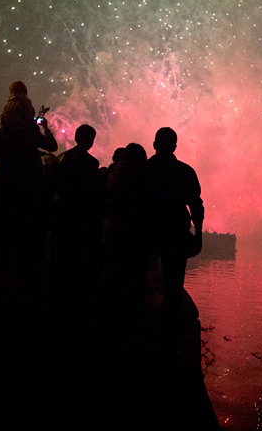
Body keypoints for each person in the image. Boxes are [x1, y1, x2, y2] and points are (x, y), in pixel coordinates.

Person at [0, 88, 57, 272]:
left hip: (2, 184)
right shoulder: (30, 135)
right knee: (24, 224)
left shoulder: (2, 134)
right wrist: (45, 127)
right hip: (27, 185)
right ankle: (21, 266)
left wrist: (4, 161)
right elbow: (52, 146)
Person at [141, 127, 204, 353]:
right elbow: (196, 206)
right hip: (175, 234)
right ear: (174, 146)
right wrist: (198, 234)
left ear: (155, 144)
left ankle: (143, 336)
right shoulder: (185, 172)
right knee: (174, 286)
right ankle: (171, 338)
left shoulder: (144, 170)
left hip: (147, 233)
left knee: (140, 283)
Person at [49, 124, 99, 304]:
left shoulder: (61, 158)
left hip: (60, 208)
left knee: (57, 248)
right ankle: (71, 293)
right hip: (78, 211)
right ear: (90, 140)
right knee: (75, 250)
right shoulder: (92, 163)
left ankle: (55, 288)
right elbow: (89, 191)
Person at [101, 142, 148, 328]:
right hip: (132, 228)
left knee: (112, 269)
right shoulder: (141, 177)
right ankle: (131, 319)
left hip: (111, 225)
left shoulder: (109, 173)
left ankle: (109, 313)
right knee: (134, 274)